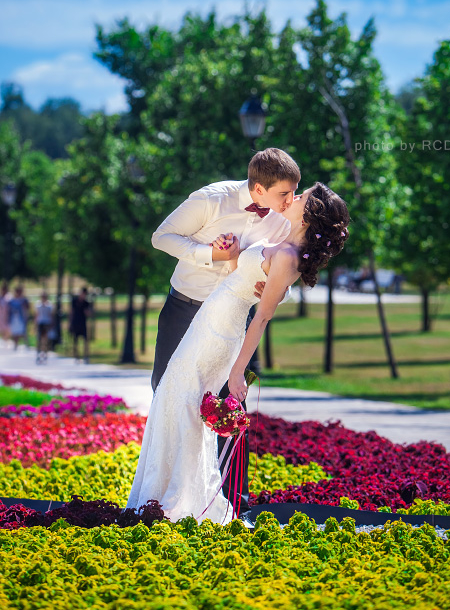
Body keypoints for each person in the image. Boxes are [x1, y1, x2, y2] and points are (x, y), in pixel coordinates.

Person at [126, 181, 350, 526]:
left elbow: (262, 317)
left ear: (308, 216)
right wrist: (233, 256)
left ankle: (180, 499)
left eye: (301, 196)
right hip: (212, 316)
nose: (293, 198)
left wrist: (237, 371)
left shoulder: (288, 257)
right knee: (173, 395)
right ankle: (167, 494)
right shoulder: (281, 242)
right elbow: (240, 281)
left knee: (183, 401)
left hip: (223, 330)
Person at [149, 148, 301, 520]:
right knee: (167, 390)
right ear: (259, 189)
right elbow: (161, 237)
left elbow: (283, 270)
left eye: (294, 192)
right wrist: (211, 255)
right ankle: (169, 492)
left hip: (231, 318)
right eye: (284, 193)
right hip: (186, 306)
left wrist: (274, 291)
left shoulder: (282, 220)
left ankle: (233, 499)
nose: (291, 200)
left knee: (230, 403)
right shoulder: (211, 199)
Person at [69, 287, 91, 363]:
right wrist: (70, 322)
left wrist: (88, 311)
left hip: (83, 323)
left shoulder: (86, 303)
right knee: (75, 340)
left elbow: (88, 313)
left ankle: (86, 356)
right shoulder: (74, 301)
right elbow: (71, 312)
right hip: (75, 322)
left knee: (85, 340)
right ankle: (76, 356)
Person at [8, 285, 30, 350]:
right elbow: (9, 309)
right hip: (14, 318)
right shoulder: (12, 300)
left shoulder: (24, 300)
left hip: (22, 318)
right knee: (15, 333)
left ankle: (27, 345)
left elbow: (27, 308)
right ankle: (16, 345)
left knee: (24, 332)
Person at [35, 291, 54, 364]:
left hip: (46, 323)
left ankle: (45, 354)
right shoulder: (38, 305)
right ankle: (38, 355)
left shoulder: (49, 305)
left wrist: (51, 324)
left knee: (46, 340)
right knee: (39, 340)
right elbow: (37, 315)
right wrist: (35, 324)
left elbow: (50, 315)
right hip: (40, 323)